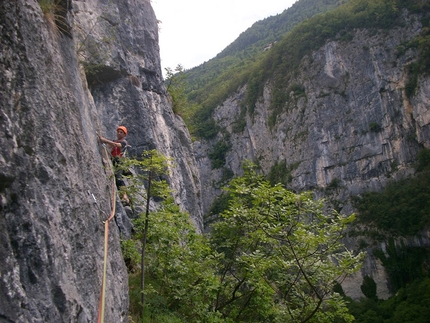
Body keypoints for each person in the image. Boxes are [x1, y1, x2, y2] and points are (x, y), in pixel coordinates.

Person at [98, 126, 130, 205]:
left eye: (121, 132)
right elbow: (110, 145)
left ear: (124, 134)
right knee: (115, 178)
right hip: (114, 160)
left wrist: (104, 140)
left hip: (120, 161)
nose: (119, 133)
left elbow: (117, 145)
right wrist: (104, 142)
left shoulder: (124, 142)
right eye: (118, 131)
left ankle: (125, 197)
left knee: (118, 178)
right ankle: (123, 195)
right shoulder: (114, 141)